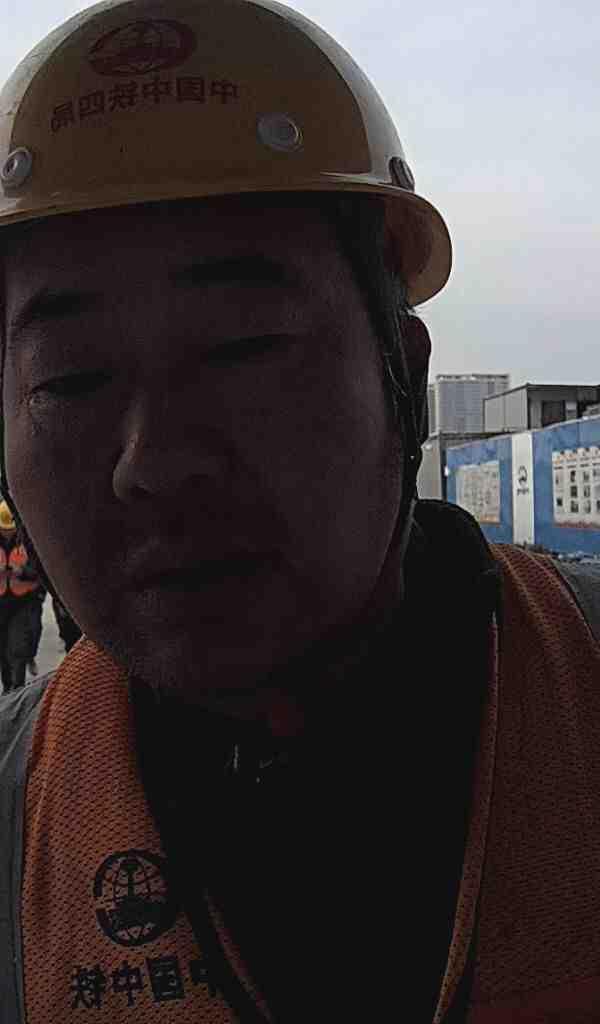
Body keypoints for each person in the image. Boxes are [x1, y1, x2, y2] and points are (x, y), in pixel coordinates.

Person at [0, 1, 598, 1022]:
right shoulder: (22, 806)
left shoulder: (577, 684)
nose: (156, 463)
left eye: (244, 348)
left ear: (404, 375)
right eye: (68, 379)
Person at [0, 500, 45, 692]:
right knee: (3, 650)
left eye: (10, 529)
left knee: (18, 648)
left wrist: (23, 571)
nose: (7, 533)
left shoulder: (29, 540)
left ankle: (17, 688)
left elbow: (42, 569)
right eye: (4, 529)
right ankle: (7, 687)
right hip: (2, 603)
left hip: (25, 602)